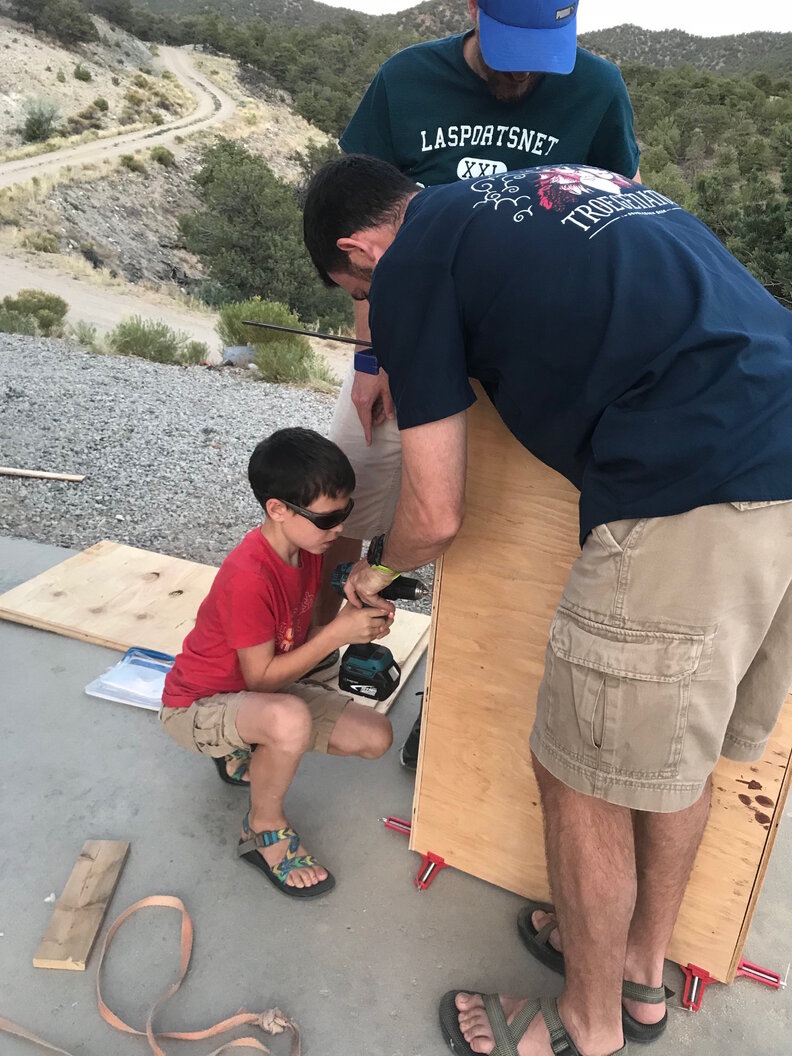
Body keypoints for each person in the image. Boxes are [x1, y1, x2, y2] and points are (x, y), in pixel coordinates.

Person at [302, 155, 792, 1052]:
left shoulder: (409, 265)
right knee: (684, 755)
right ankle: (640, 974)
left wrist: (377, 569)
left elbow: (436, 512)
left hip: (689, 484)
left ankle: (587, 1023)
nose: (367, 312)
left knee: (581, 775)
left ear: (358, 250)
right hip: (780, 454)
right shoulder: (537, 192)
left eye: (353, 293)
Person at [321, 0, 642, 768]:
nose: (522, 67)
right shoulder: (406, 79)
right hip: (411, 337)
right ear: (472, 9)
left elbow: (621, 211)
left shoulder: (598, 87)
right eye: (509, 46)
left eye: (542, 50)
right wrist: (372, 358)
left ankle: (456, 699)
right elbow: (364, 224)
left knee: (494, 538)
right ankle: (335, 647)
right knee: (352, 486)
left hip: (528, 360)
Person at [159, 427, 393, 898]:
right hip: (195, 705)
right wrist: (338, 633)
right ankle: (262, 830)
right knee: (289, 721)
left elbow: (305, 632)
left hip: (255, 696)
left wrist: (353, 597)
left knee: (376, 737)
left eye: (346, 512)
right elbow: (262, 679)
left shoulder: (304, 547)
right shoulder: (249, 576)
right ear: (278, 509)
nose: (340, 528)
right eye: (329, 518)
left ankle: (240, 749)